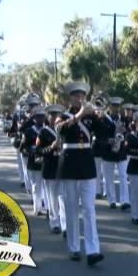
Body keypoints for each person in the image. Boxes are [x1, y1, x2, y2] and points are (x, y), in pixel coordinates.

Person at [56, 81, 104, 266]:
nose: (80, 98)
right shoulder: (64, 115)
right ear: (70, 98)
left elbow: (106, 132)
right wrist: (78, 116)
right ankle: (74, 248)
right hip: (69, 164)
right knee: (72, 209)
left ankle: (93, 250)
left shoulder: (90, 117)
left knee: (89, 210)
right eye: (76, 96)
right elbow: (60, 130)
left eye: (82, 96)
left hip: (87, 165)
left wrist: (100, 116)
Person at [37, 104, 66, 234]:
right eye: (52, 115)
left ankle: (65, 225)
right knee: (53, 198)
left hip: (64, 167)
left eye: (57, 115)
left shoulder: (65, 130)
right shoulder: (43, 132)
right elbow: (38, 151)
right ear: (48, 117)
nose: (55, 118)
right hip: (50, 167)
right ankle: (55, 222)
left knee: (64, 198)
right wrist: (51, 147)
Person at [97, 96, 130, 210]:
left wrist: (125, 134)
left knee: (123, 176)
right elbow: (99, 136)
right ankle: (112, 200)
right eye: (113, 106)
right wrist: (108, 141)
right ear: (109, 107)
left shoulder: (124, 119)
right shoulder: (104, 119)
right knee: (109, 177)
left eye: (117, 106)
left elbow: (129, 134)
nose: (115, 109)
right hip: (108, 152)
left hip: (121, 152)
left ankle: (124, 200)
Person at [21, 107, 47, 215]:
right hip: (33, 161)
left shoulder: (48, 130)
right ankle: (37, 208)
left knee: (46, 186)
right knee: (36, 186)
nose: (40, 119)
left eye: (42, 117)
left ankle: (48, 207)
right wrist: (30, 150)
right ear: (34, 118)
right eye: (38, 117)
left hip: (46, 161)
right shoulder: (29, 131)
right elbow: (22, 147)